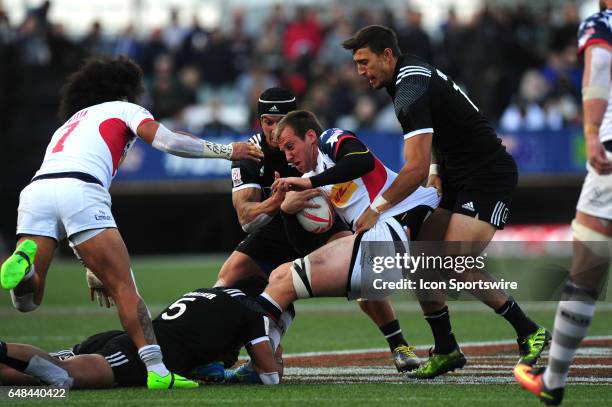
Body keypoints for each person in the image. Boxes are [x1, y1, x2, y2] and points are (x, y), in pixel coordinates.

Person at [0, 56, 263, 390]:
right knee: (125, 287)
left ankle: (26, 267)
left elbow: (60, 193)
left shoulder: (67, 125)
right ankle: (158, 372)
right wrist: (228, 151)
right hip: (81, 188)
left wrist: (89, 263)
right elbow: (169, 141)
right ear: (126, 91)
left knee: (27, 301)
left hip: (36, 192)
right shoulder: (123, 109)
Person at [341, 25, 550, 378]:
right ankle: (448, 348)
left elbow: (414, 167)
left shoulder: (408, 89)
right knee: (419, 251)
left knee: (452, 260)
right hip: (456, 173)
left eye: (365, 62)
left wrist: (375, 208)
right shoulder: (409, 73)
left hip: (487, 175)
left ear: (387, 55)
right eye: (357, 64)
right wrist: (438, 168)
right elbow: (439, 129)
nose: (360, 71)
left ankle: (529, 330)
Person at [216, 89, 419, 372]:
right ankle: (220, 352)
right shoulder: (249, 153)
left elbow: (353, 167)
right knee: (227, 279)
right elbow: (246, 220)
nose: (274, 130)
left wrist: (310, 191)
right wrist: (278, 204)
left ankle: (398, 344)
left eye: (280, 121)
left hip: (325, 223)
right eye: (267, 122)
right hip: (274, 226)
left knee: (363, 274)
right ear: (259, 121)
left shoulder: (319, 145)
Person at [250, 111, 439, 376]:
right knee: (361, 294)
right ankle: (403, 347)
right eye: (284, 152)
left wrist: (308, 182)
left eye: (291, 147)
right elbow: (308, 250)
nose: (289, 157)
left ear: (311, 136)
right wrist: (289, 212)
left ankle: (255, 363)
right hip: (384, 246)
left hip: (394, 232)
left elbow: (360, 161)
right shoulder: (319, 184)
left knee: (282, 279)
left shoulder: (330, 140)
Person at [514, 2, 612, 405]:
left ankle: (553, 379)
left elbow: (600, 65)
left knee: (586, 272)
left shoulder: (602, 21)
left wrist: (590, 131)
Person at [0, 285, 281, 388]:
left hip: (123, 339)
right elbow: (269, 376)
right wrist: (268, 361)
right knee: (60, 375)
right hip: (136, 356)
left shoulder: (210, 293)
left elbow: (197, 345)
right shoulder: (253, 310)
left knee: (35, 369)